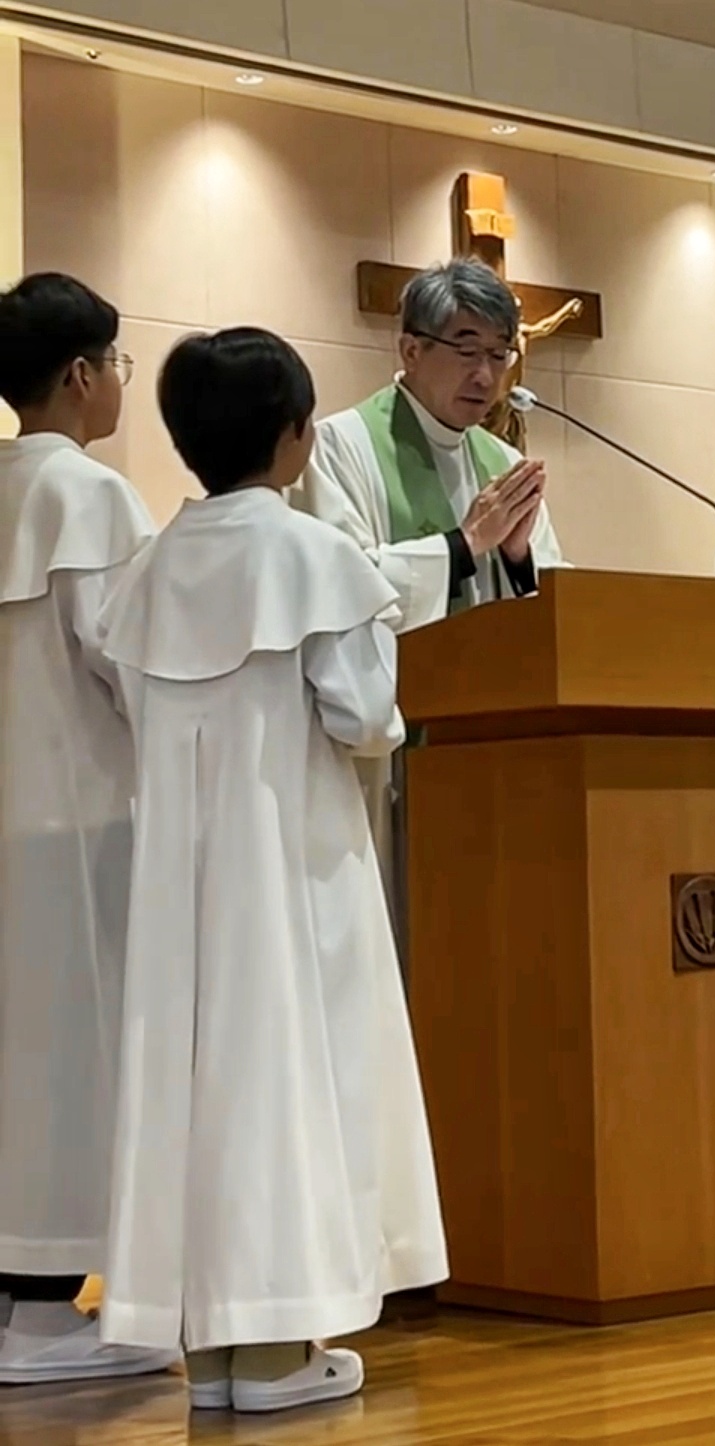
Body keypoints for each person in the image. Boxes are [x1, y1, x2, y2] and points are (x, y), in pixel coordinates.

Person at [98, 329, 447, 1413]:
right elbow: (364, 717)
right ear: (296, 438)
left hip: (179, 877)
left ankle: (210, 1351)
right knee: (294, 1069)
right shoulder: (314, 557)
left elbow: (131, 702)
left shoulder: (149, 568)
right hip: (292, 859)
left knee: (199, 1081)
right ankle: (278, 1348)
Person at [291, 258, 566, 957]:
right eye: (466, 351)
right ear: (410, 350)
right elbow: (341, 592)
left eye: (500, 355)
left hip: (494, 757)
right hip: (388, 756)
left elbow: (557, 610)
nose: (486, 375)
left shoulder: (502, 461)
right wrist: (461, 546)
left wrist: (516, 559)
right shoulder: (340, 446)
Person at [0, 273, 172, 1384]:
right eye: (113, 363)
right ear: (79, 373)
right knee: (71, 1052)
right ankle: (44, 1310)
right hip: (79, 819)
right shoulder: (90, 496)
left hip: (10, 817)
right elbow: (129, 658)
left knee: (16, 1054)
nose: (118, 381)